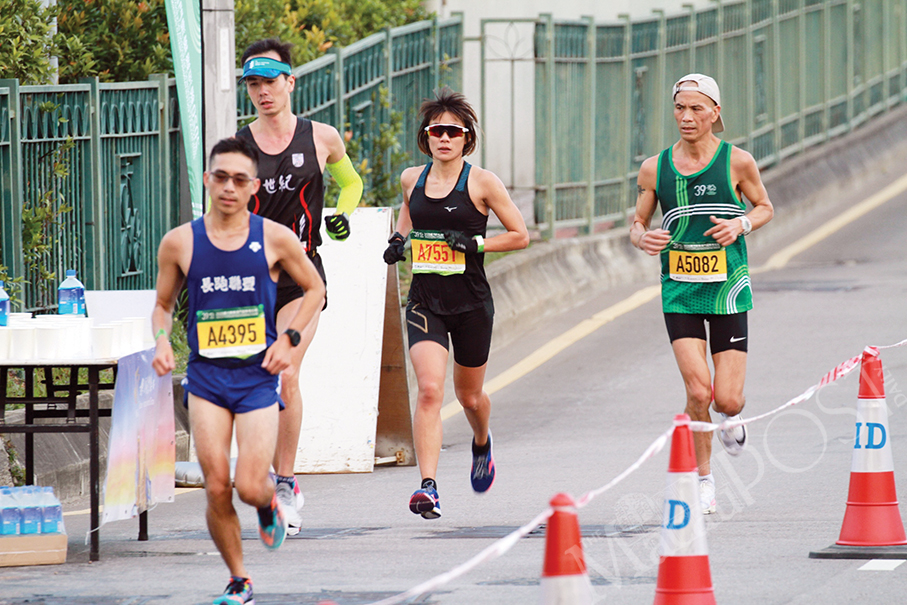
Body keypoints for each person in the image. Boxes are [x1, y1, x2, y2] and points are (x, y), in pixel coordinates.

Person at [151, 137, 325, 604]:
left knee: (249, 484)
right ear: (208, 180)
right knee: (214, 485)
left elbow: (314, 290)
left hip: (255, 380)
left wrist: (289, 340)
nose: (229, 187)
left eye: (240, 179)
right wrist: (162, 342)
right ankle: (238, 578)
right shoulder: (181, 242)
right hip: (207, 379)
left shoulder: (273, 238)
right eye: (220, 177)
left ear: (255, 186)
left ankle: (269, 502)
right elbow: (163, 306)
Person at [235, 38, 363, 534]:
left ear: (291, 81)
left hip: (304, 279)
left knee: (284, 371)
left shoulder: (321, 137)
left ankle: (285, 481)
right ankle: (261, 471)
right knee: (255, 382)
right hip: (252, 280)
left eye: (270, 82)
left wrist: (343, 218)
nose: (263, 92)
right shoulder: (239, 146)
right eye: (253, 85)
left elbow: (349, 184)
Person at [630, 74, 774, 514]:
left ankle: (731, 420)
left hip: (728, 287)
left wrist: (741, 224)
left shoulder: (737, 162)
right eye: (680, 108)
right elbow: (636, 222)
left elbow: (765, 206)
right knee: (698, 391)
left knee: (727, 399)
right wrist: (642, 238)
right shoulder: (656, 167)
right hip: (680, 290)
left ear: (715, 112)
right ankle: (705, 480)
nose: (687, 117)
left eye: (697, 108)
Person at [384, 88, 529, 519]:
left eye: (453, 131)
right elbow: (408, 211)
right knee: (429, 389)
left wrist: (474, 242)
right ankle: (428, 487)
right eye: (436, 131)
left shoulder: (482, 182)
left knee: (469, 398)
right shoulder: (413, 177)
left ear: (467, 139)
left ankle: (481, 441)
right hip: (425, 301)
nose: (444, 138)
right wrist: (398, 239)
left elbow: (520, 235)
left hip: (471, 304)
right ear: (425, 137)